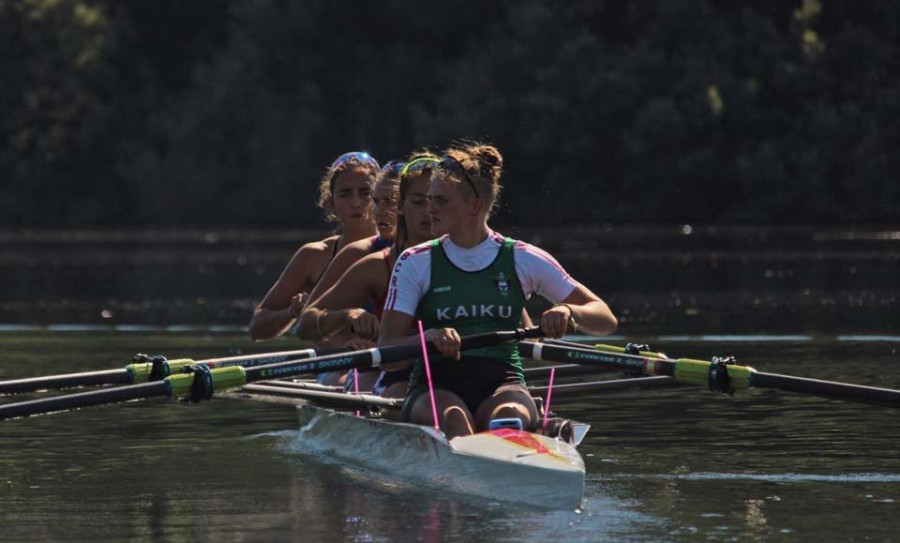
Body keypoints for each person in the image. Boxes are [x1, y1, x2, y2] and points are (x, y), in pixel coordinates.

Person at [377, 142, 617, 439]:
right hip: (435, 385)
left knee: (508, 422)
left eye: (440, 201)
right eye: (427, 200)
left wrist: (569, 311)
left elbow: (605, 318)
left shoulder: (523, 258)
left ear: (475, 206)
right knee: (454, 422)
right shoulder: (416, 261)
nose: (429, 210)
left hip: (503, 383)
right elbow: (387, 350)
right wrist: (427, 338)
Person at [297, 153, 439, 397]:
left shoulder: (466, 256)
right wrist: (347, 317)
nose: (379, 212)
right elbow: (306, 325)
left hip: (444, 373)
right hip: (377, 369)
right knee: (361, 382)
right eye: (377, 201)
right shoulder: (368, 260)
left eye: (390, 201)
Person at [249, 151, 379, 341]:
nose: (356, 202)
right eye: (345, 194)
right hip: (333, 367)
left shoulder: (398, 250)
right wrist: (292, 312)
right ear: (331, 203)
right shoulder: (313, 256)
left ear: (380, 199)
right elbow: (257, 328)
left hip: (383, 364)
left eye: (365, 193)